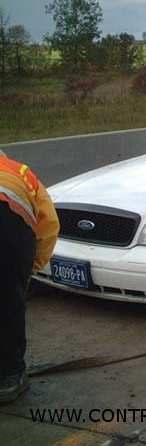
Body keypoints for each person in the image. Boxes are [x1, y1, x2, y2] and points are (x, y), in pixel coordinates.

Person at [0, 149, 59, 403]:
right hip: (8, 226)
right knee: (7, 301)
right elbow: (49, 226)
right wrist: (29, 270)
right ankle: (9, 377)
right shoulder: (19, 172)